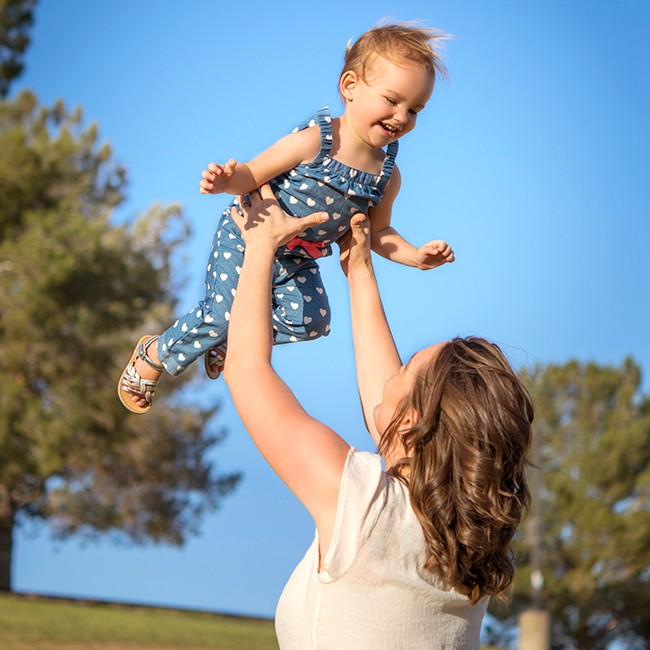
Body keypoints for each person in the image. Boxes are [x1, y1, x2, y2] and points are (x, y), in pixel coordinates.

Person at [222, 186, 533, 649]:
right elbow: (388, 420)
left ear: (412, 421)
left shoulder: (361, 502)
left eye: (405, 368)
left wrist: (261, 243)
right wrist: (359, 268)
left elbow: (246, 371)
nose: (394, 371)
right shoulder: (472, 542)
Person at [118, 22, 455, 414]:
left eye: (414, 109)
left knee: (312, 321)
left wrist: (415, 256)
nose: (402, 117)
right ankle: (155, 354)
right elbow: (253, 173)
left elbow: (379, 232)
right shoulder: (316, 141)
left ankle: (232, 340)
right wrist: (228, 179)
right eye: (392, 100)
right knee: (220, 313)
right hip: (249, 232)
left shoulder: (386, 175)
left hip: (297, 254)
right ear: (350, 86)